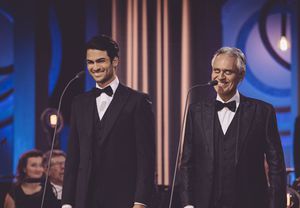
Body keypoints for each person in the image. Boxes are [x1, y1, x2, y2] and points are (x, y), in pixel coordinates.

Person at [179, 47, 286, 208]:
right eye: (216, 70)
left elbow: (276, 166)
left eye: (227, 72)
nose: (220, 77)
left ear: (241, 76)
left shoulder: (263, 112)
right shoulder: (196, 111)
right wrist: (188, 204)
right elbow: (187, 162)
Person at [61, 35, 155, 208]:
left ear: (115, 61)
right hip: (84, 199)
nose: (95, 67)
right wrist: (67, 202)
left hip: (123, 199)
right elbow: (73, 156)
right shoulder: (79, 103)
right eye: (90, 62)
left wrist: (140, 201)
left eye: (100, 61)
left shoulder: (137, 101)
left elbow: (146, 159)